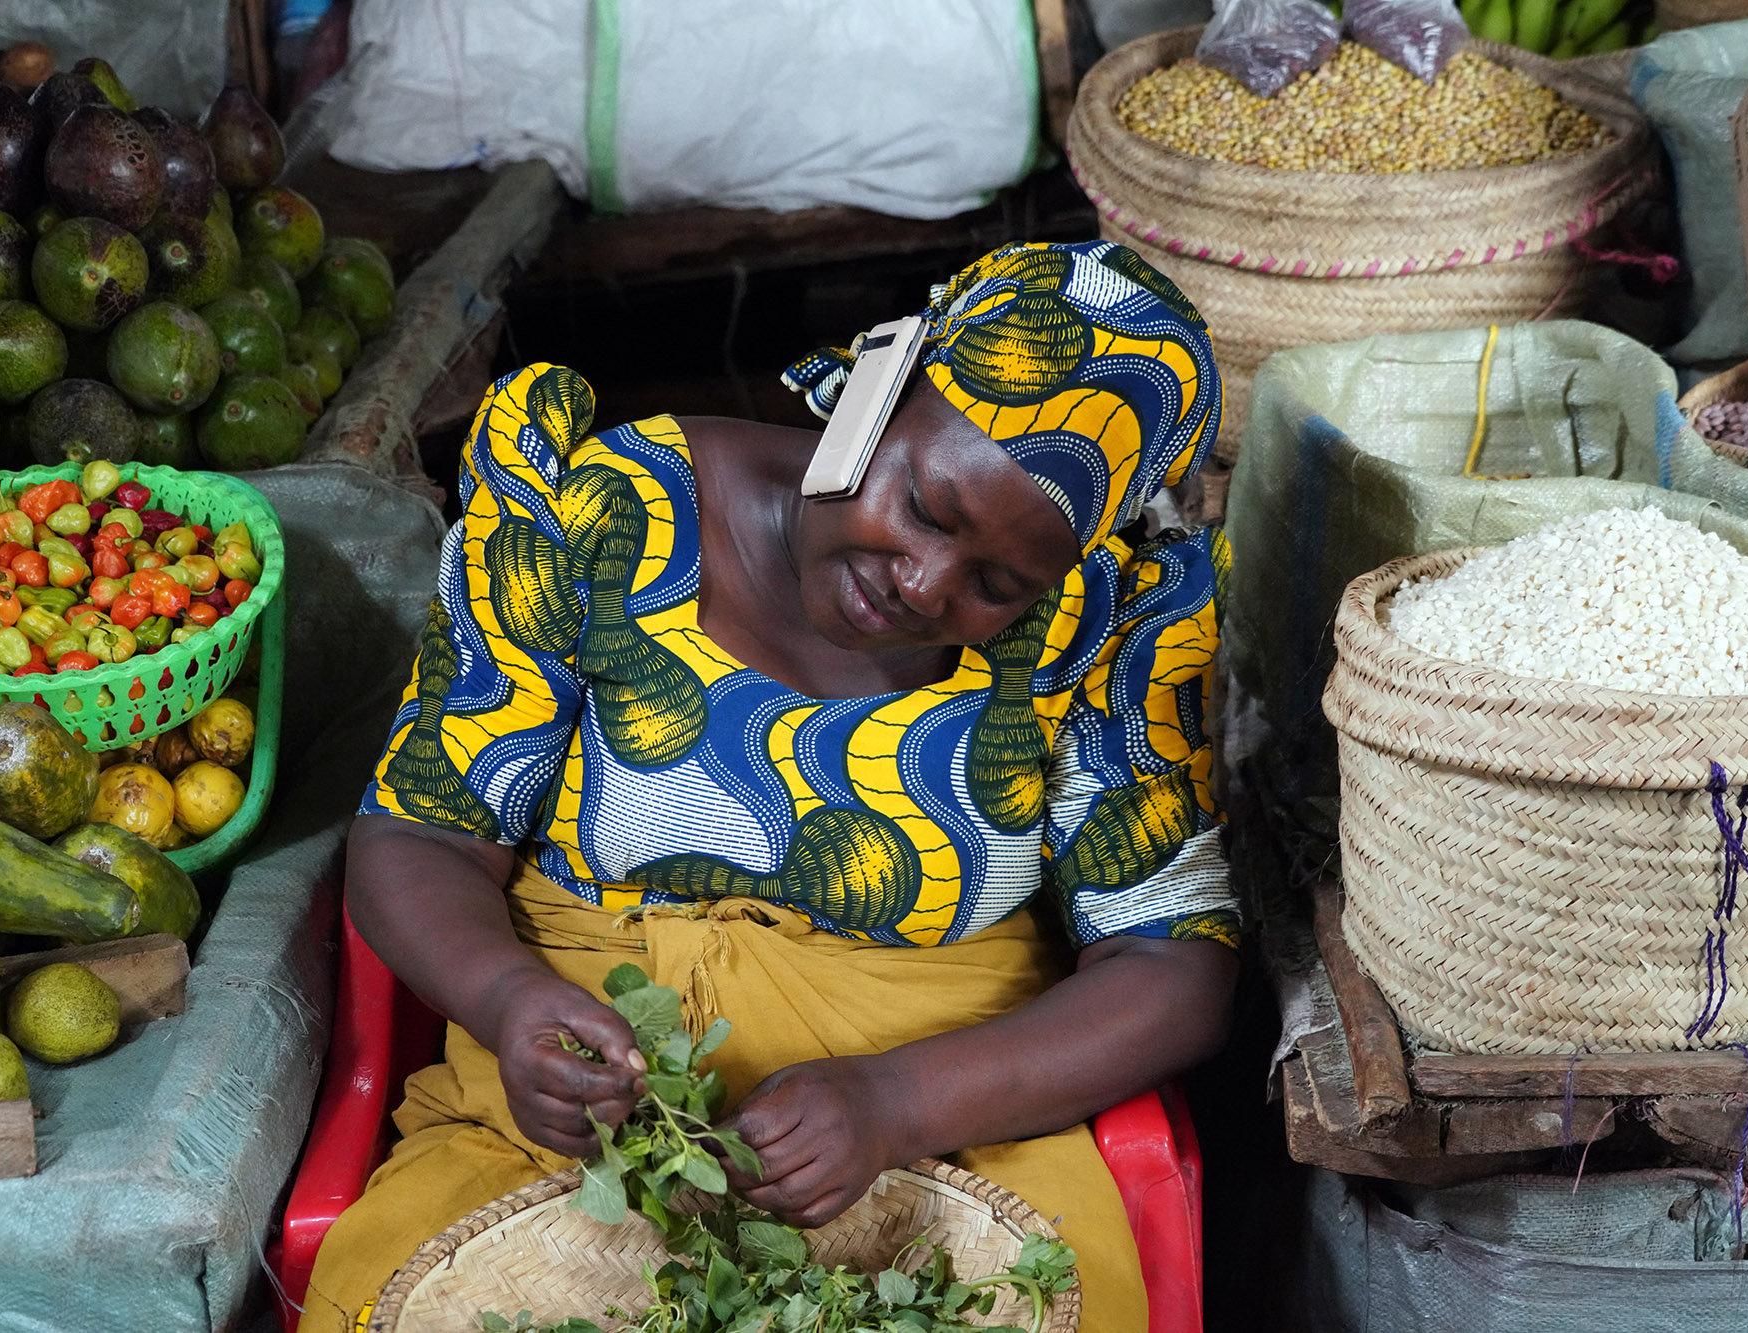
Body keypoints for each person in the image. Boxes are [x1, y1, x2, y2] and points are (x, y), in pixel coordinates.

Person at [299, 240, 1239, 1332]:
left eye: (997, 584)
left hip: (959, 1130)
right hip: (569, 1128)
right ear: (874, 394)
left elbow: (1170, 962)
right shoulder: (599, 515)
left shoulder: (1102, 624)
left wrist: (897, 1102)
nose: (926, 585)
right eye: (926, 509)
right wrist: (508, 1001)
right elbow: (424, 832)